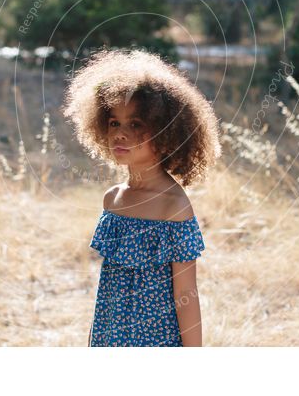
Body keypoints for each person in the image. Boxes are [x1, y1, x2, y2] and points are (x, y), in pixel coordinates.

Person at [61, 48, 221, 346]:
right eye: (114, 123)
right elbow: (107, 291)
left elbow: (186, 294)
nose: (121, 134)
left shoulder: (174, 206)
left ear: (166, 133)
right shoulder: (112, 200)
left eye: (136, 124)